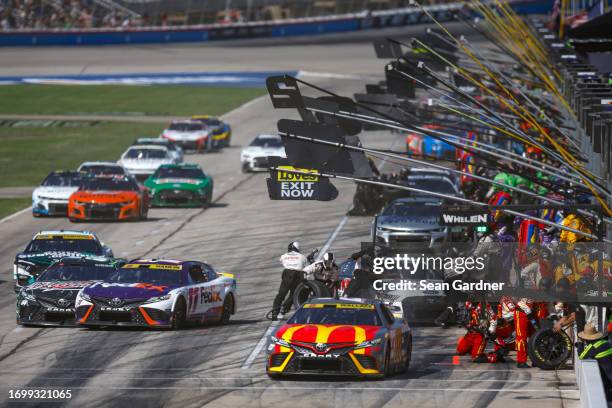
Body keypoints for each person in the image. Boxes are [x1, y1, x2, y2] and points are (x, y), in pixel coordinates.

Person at [271, 241, 309, 321]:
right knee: (294, 294)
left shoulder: (284, 256)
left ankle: (275, 311)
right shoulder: (303, 257)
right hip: (298, 274)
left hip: (287, 274)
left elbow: (281, 261)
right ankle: (284, 309)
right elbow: (305, 266)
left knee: (281, 294)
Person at [577, 323, 612, 395]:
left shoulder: (592, 347)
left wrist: (580, 343)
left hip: (608, 380)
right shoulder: (606, 342)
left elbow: (581, 357)